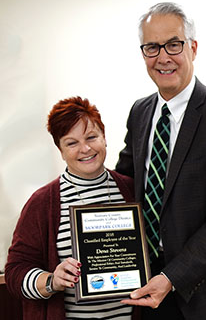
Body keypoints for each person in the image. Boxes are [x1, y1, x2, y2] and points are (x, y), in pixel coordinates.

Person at [116, 2, 206, 319]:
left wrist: (172, 278)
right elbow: (125, 184)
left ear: (193, 48)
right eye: (151, 47)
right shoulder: (140, 113)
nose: (163, 57)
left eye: (173, 44)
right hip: (153, 293)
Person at [5, 97, 137, 319]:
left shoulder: (131, 190)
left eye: (91, 137)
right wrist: (51, 281)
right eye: (71, 142)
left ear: (105, 138)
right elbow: (14, 273)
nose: (85, 149)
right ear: (60, 149)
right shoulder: (42, 203)